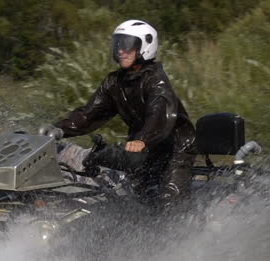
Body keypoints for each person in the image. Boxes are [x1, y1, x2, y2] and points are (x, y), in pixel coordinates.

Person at [39, 20, 196, 211]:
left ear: (145, 46)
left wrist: (142, 139)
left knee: (170, 202)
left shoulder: (156, 81)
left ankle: (187, 236)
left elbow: (159, 116)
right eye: (118, 44)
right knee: (138, 202)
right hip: (142, 150)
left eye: (127, 44)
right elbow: (90, 114)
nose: (121, 50)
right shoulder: (115, 82)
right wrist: (59, 129)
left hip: (175, 149)